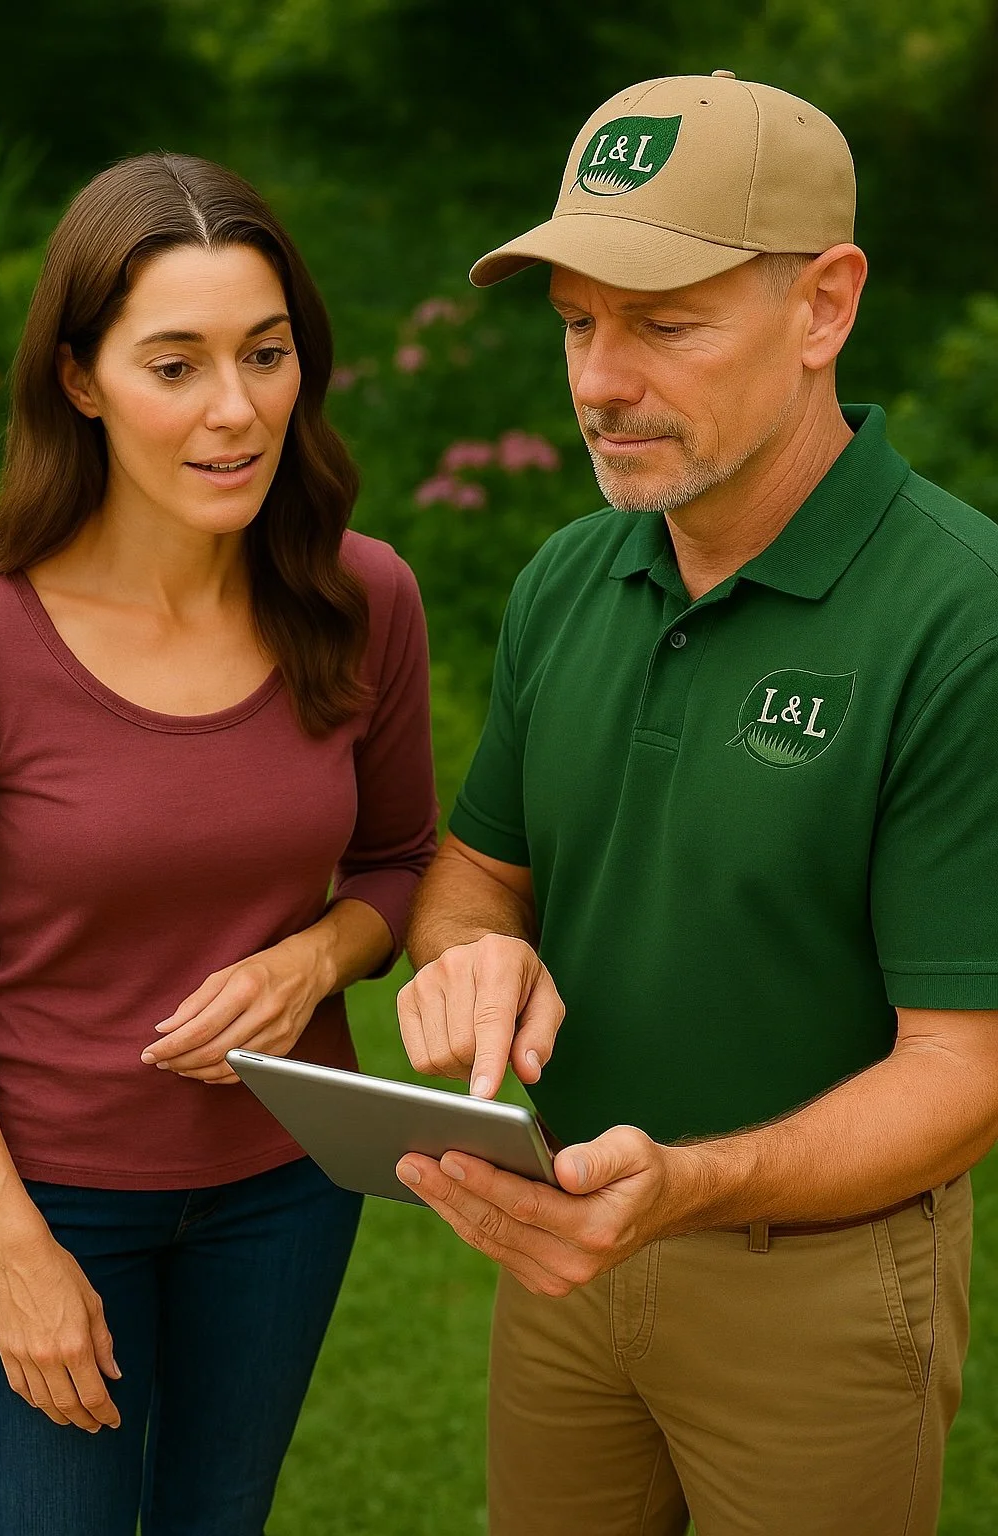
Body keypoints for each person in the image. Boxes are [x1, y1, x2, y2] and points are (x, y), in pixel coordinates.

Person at [394, 71, 998, 1535]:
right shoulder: (567, 577)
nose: (600, 379)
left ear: (824, 307)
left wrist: (689, 1186)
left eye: (664, 323)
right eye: (578, 323)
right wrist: (466, 954)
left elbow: (963, 1068)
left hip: (822, 1291)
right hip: (562, 1262)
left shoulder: (958, 614)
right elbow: (478, 878)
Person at [0, 153, 436, 1535]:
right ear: (79, 377)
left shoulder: (364, 597)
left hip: (285, 1191)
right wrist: (11, 1247)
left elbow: (400, 864)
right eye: (175, 365)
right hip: (49, 1196)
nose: (237, 411)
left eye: (267, 353)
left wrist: (313, 960)